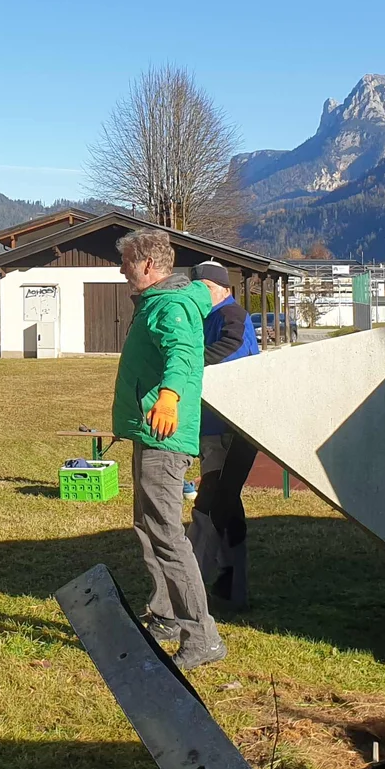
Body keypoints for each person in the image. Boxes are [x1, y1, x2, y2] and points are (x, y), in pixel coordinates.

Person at [112, 228, 226, 668]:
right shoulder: (156, 302)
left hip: (164, 434)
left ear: (146, 265)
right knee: (147, 525)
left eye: (126, 262)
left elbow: (183, 355)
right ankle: (166, 615)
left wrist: (170, 397)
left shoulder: (172, 304)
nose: (121, 270)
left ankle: (201, 637)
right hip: (149, 432)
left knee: (167, 534)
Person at [188, 262, 261, 609]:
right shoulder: (208, 315)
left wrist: (189, 362)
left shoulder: (232, 314)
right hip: (212, 425)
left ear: (218, 287)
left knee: (212, 502)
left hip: (233, 427)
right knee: (227, 503)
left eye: (202, 289)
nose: (197, 295)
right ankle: (232, 583)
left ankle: (191, 587)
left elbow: (232, 348)